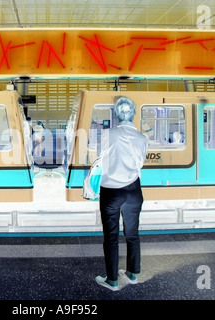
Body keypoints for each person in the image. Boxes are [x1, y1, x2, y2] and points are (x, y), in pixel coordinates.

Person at [95, 96, 148, 291]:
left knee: (111, 237)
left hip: (111, 191)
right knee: (132, 234)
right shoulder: (143, 139)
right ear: (133, 113)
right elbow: (140, 163)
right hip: (134, 190)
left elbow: (102, 160)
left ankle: (112, 280)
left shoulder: (109, 134)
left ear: (117, 115)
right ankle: (132, 273)